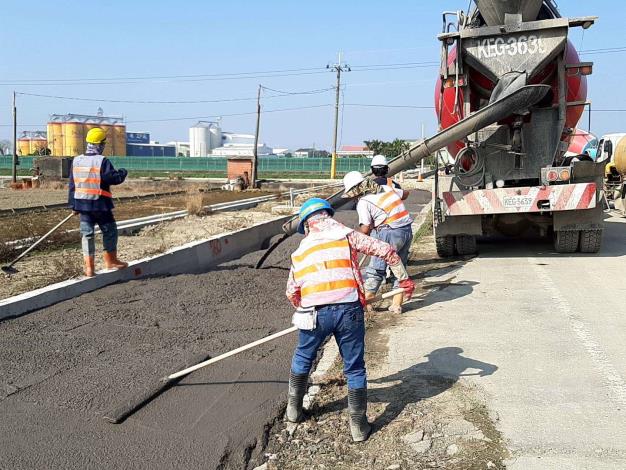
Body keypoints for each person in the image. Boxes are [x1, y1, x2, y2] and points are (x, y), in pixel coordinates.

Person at [285, 198, 415, 442]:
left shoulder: (299, 252)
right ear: (329, 216)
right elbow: (387, 251)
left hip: (313, 314)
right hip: (349, 310)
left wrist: (304, 307)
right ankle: (358, 426)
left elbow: (292, 292)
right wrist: (404, 280)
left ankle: (293, 410)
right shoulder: (346, 235)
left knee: (303, 356)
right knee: (354, 367)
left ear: (306, 225)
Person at [342, 171, 414, 314]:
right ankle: (396, 305)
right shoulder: (386, 188)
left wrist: (353, 241)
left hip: (389, 232)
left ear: (356, 190)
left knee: (376, 269)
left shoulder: (364, 202)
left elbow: (365, 228)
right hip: (406, 230)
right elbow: (405, 194)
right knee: (399, 267)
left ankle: (367, 305)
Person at [68, 127, 128, 277]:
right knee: (110, 231)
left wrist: (73, 205)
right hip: (100, 205)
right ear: (101, 144)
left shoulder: (77, 161)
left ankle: (89, 268)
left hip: (82, 205)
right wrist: (122, 172)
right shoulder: (102, 161)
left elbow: (72, 185)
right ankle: (111, 261)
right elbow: (113, 178)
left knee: (87, 235)